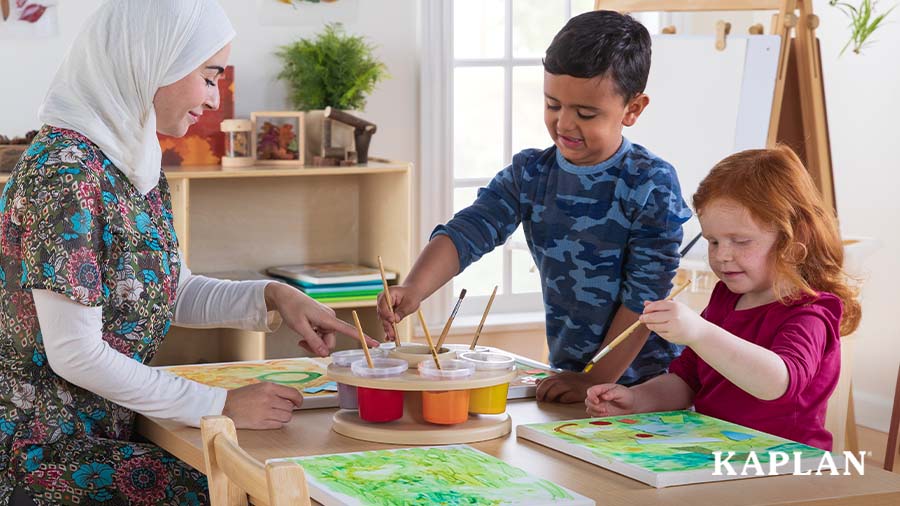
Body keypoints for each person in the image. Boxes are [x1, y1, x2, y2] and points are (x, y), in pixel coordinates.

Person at [0, 1, 374, 504]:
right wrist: (220, 404)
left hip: (102, 434)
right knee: (246, 489)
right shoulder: (66, 175)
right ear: (155, 62)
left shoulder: (133, 160)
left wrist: (273, 296)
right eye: (209, 76)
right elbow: (76, 354)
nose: (215, 100)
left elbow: (164, 289)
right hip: (39, 454)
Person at [377, 10, 690, 403]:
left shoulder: (652, 183)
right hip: (572, 378)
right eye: (553, 105)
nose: (564, 124)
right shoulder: (530, 173)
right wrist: (413, 288)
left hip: (647, 390)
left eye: (586, 113)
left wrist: (594, 379)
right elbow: (469, 230)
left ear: (633, 109)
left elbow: (646, 302)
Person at [585, 146, 861, 450]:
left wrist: (699, 332)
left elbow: (778, 383)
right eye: (712, 241)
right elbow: (686, 381)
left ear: (793, 239)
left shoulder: (811, 311)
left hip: (785, 463)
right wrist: (637, 398)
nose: (722, 256)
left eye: (740, 241)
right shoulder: (725, 299)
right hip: (715, 453)